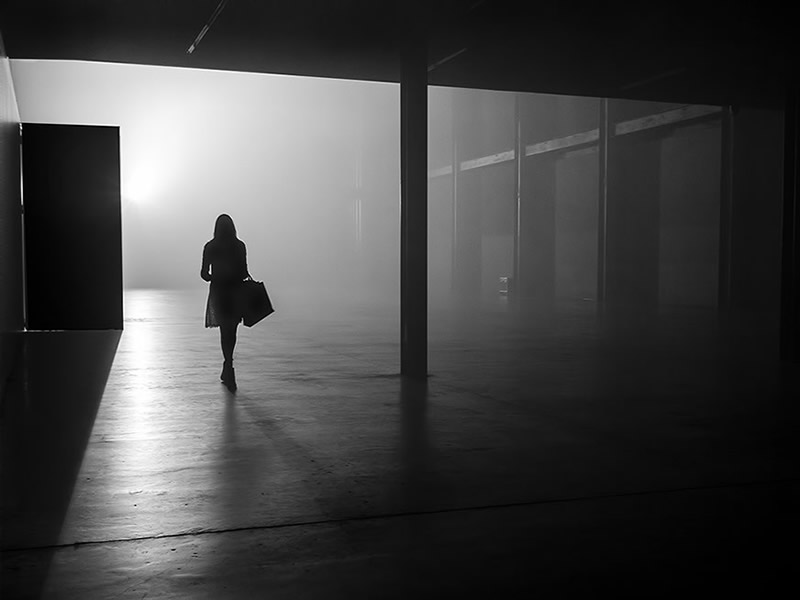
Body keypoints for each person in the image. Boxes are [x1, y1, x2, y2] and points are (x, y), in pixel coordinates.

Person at [201, 214, 250, 391]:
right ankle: (229, 366)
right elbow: (244, 272)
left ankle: (228, 365)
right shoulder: (239, 246)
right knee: (232, 330)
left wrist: (217, 276)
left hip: (219, 291)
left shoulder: (210, 246)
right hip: (235, 291)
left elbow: (204, 274)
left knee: (224, 330)